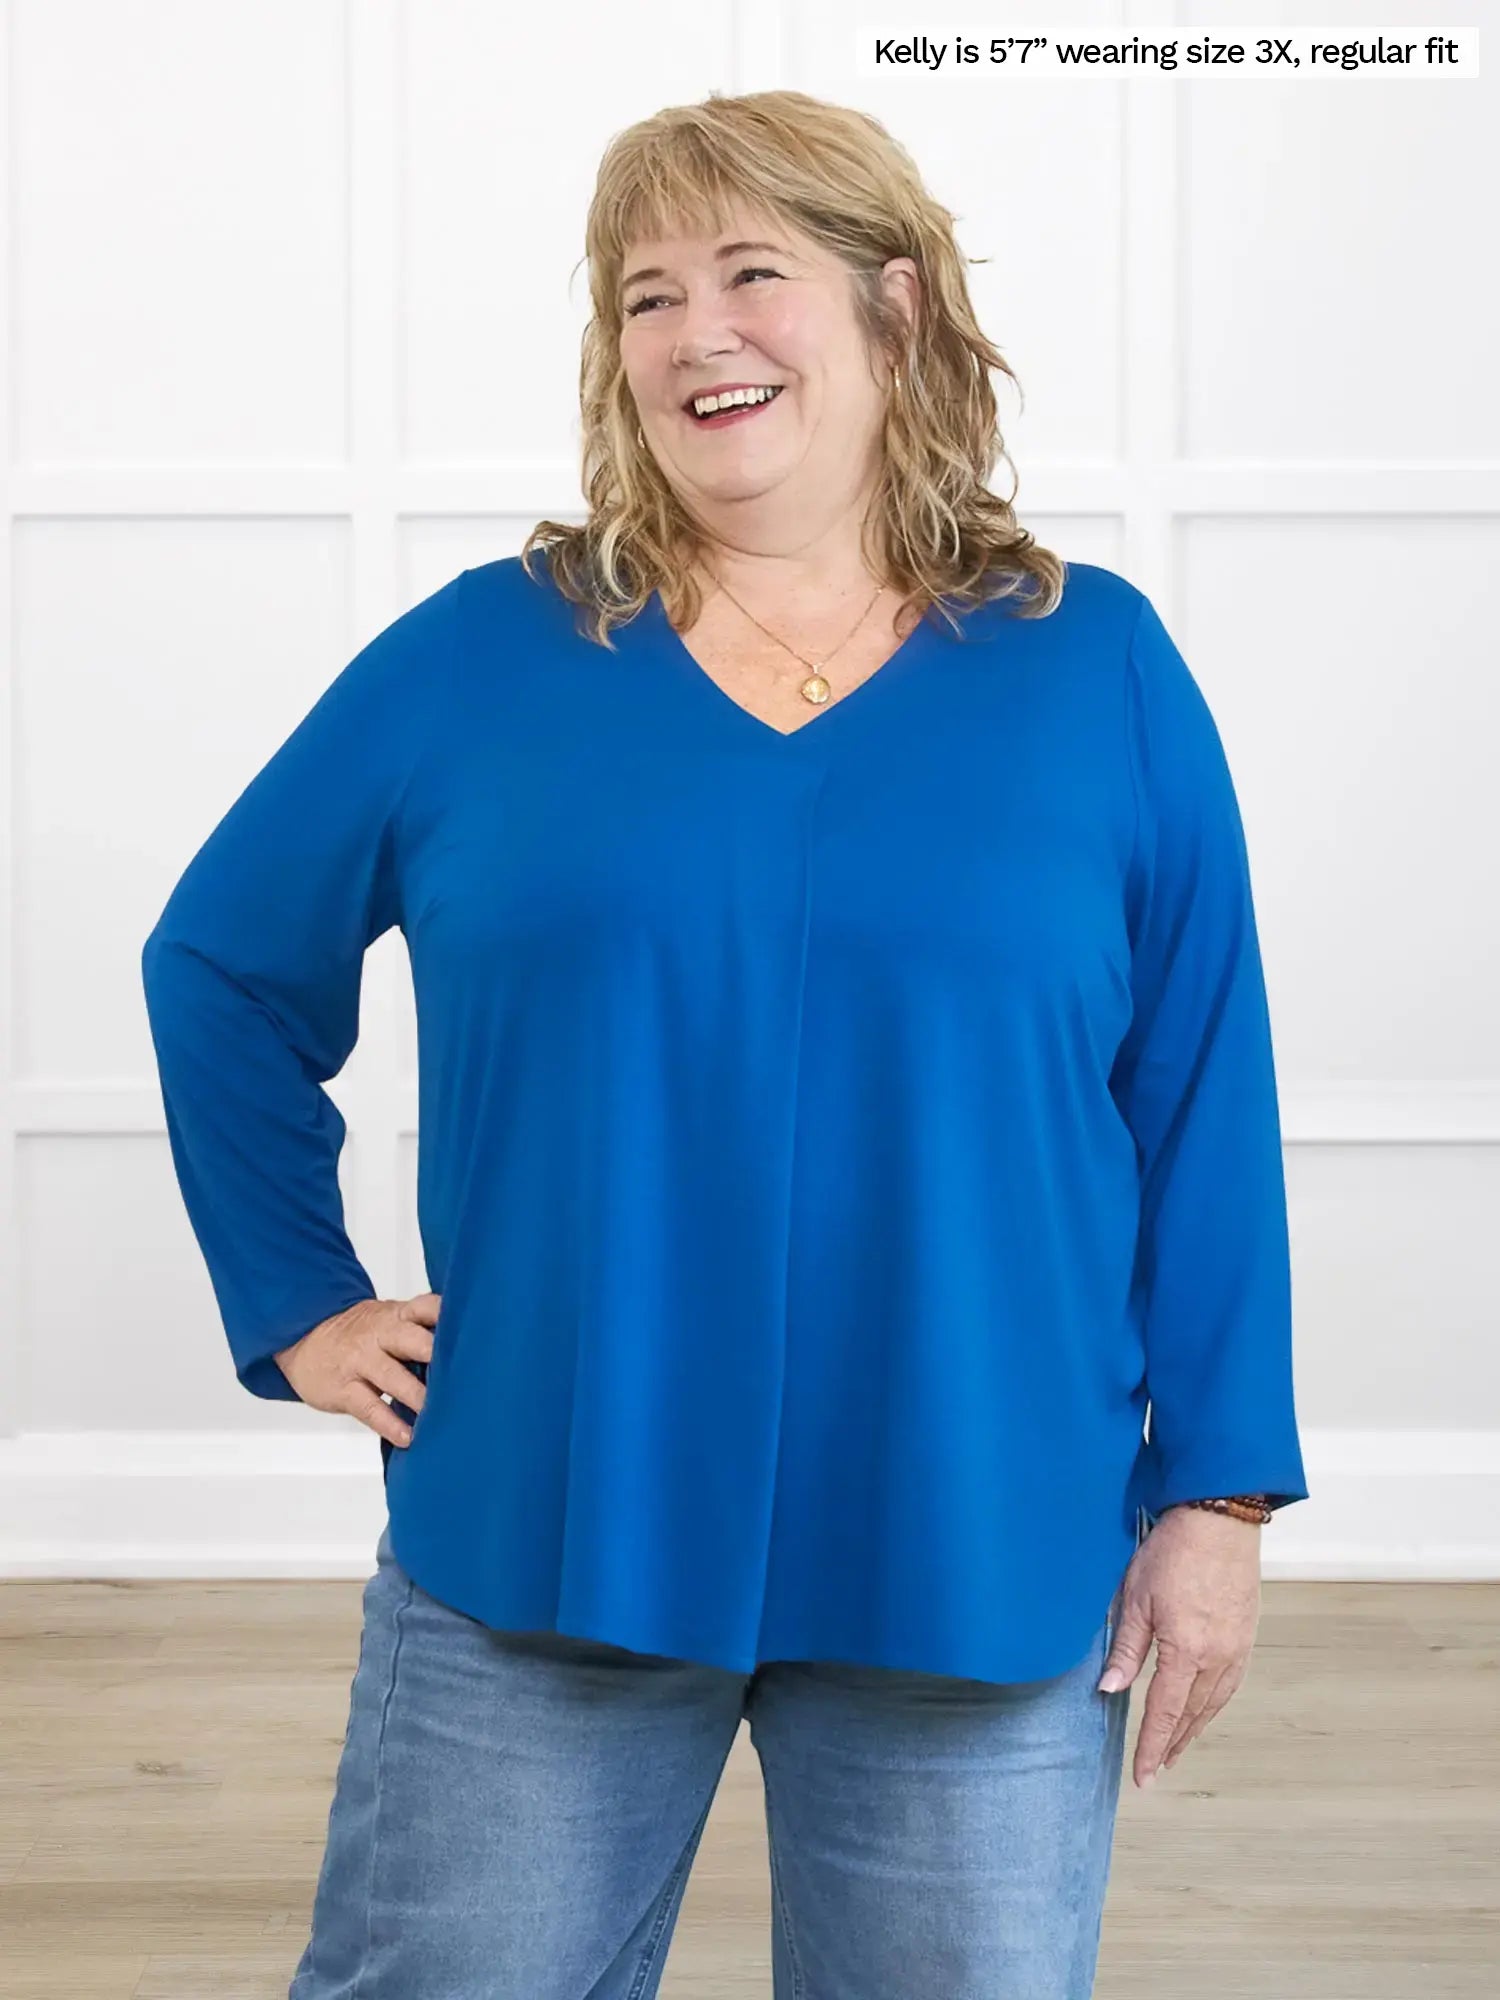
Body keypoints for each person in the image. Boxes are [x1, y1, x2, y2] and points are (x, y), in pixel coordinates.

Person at [140, 88, 1308, 2000]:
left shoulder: (1098, 669)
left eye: (753, 274)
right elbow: (221, 967)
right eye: (645, 293)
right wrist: (298, 1295)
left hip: (979, 1524)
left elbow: (1199, 1101)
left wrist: (1221, 1497)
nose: (698, 333)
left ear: (894, 310)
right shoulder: (478, 660)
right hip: (552, 1513)